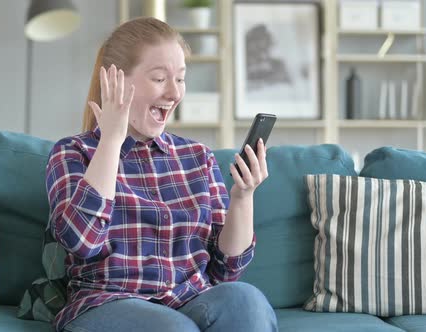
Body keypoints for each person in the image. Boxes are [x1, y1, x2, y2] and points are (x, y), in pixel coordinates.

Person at [45, 17, 278, 332]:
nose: (174, 93)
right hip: (107, 303)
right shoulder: (74, 153)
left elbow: (227, 271)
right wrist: (112, 140)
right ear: (116, 82)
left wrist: (243, 196)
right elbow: (82, 241)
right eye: (159, 78)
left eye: (180, 79)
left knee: (245, 301)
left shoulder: (197, 157)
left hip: (191, 299)